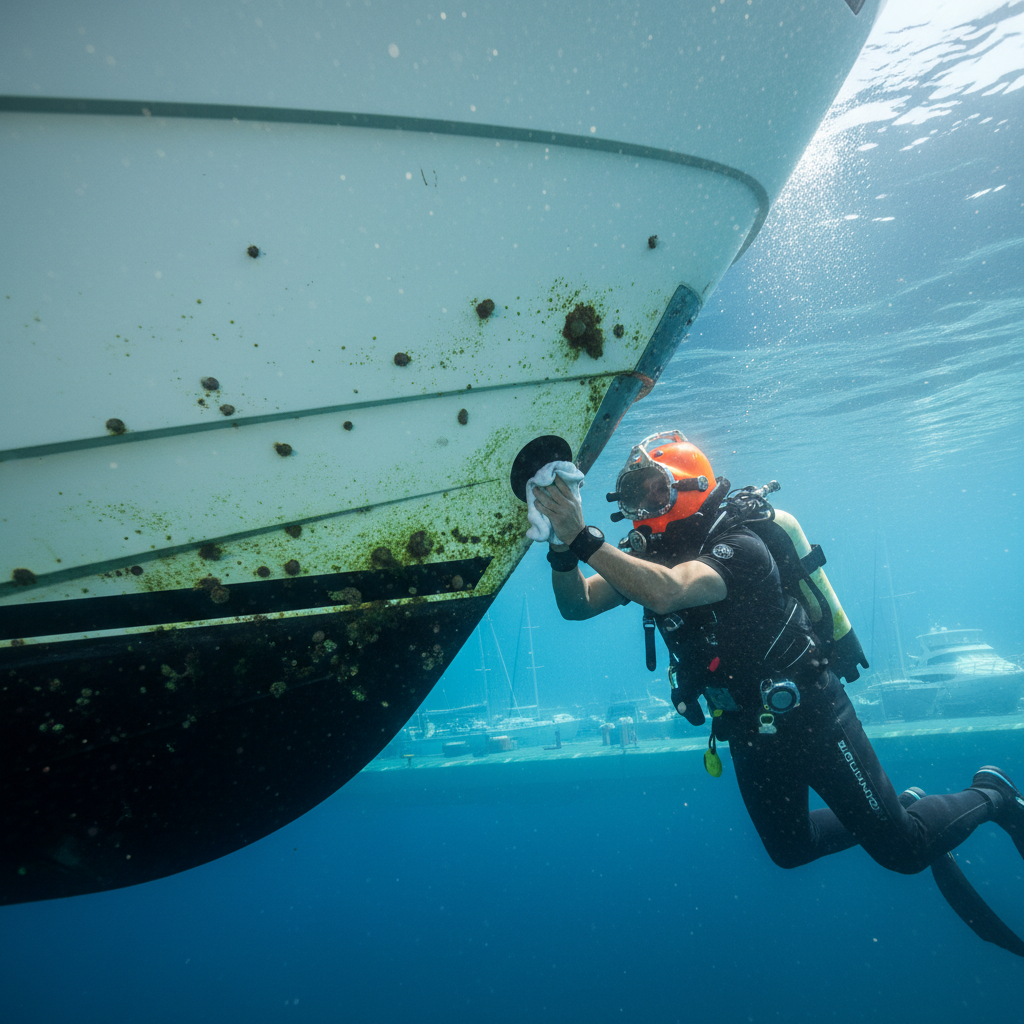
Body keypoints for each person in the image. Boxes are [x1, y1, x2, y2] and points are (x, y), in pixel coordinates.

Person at [532, 430, 1024, 950]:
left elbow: (668, 591)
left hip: (812, 713)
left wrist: (582, 536)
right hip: (746, 727)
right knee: (790, 849)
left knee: (904, 853)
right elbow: (577, 605)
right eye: (635, 496)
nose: (646, 507)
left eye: (657, 490)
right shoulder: (655, 554)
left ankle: (994, 795)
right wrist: (562, 550)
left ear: (693, 484)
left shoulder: (740, 545)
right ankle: (893, 809)